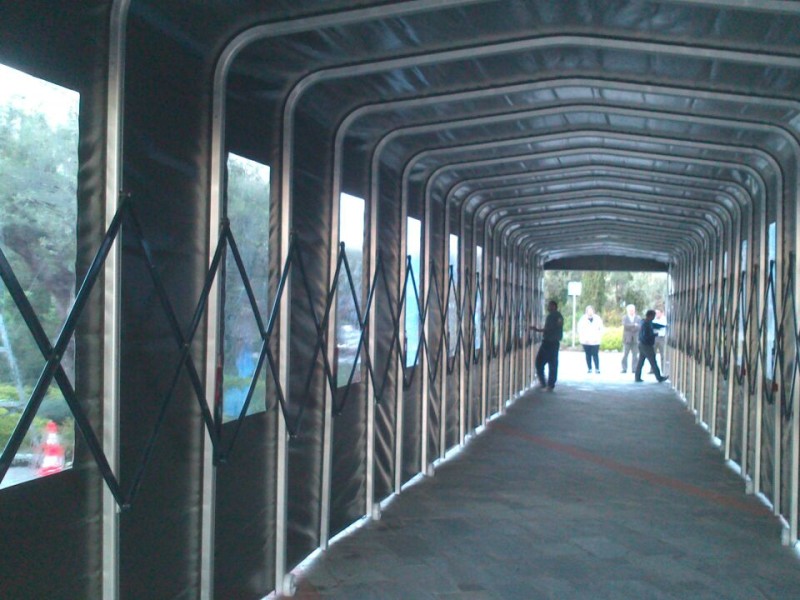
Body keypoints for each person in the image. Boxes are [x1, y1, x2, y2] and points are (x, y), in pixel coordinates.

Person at [530, 300, 564, 391]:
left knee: (539, 362)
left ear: (553, 306)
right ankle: (550, 384)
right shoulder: (559, 316)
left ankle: (543, 382)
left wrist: (536, 329)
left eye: (549, 306)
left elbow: (548, 329)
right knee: (553, 363)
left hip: (548, 343)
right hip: (555, 343)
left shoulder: (551, 316)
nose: (548, 307)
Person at [635, 309, 668, 383]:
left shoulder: (645, 322)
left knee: (641, 361)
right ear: (650, 316)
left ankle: (637, 377)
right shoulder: (646, 324)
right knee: (653, 361)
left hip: (642, 344)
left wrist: (663, 326)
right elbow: (646, 335)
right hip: (646, 345)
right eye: (653, 316)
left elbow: (655, 325)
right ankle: (659, 377)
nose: (654, 317)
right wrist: (654, 335)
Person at [577, 305, 603, 373]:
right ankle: (589, 368)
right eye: (589, 311)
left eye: (591, 311)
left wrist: (599, 337)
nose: (590, 312)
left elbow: (601, 328)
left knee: (595, 354)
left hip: (595, 340)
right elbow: (580, 329)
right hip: (586, 341)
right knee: (588, 354)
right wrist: (583, 338)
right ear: (586, 311)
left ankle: (597, 368)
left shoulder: (597, 318)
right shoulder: (582, 319)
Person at [620, 304, 641, 373]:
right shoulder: (625, 317)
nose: (632, 311)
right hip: (627, 339)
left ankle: (634, 369)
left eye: (633, 310)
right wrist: (634, 325)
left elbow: (639, 327)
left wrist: (632, 326)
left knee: (635, 355)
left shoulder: (638, 318)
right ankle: (624, 368)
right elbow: (625, 326)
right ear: (628, 311)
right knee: (625, 354)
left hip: (635, 339)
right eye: (630, 310)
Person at [652, 308, 667, 372]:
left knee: (663, 354)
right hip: (654, 338)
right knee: (652, 354)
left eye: (658, 313)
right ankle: (652, 369)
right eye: (656, 313)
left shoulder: (664, 319)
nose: (656, 314)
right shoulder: (654, 319)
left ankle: (663, 369)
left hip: (661, 338)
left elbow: (662, 326)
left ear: (661, 313)